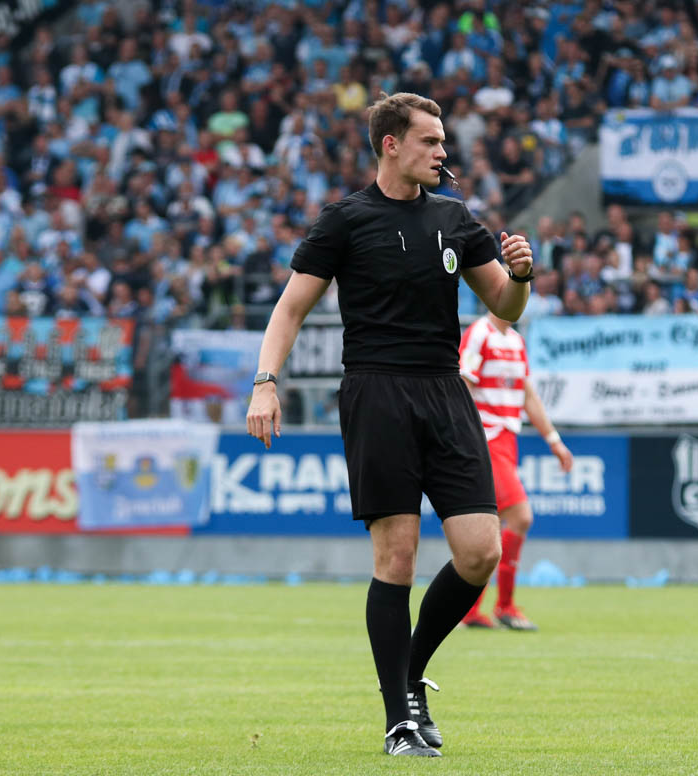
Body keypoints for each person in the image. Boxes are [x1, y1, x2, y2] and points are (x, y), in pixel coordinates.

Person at [245, 93, 536, 758]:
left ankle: (409, 672)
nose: (442, 153)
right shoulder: (345, 220)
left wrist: (521, 275)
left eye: (442, 143)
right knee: (396, 560)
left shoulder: (455, 217)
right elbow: (289, 310)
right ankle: (399, 717)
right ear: (392, 145)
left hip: (445, 390)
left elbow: (506, 305)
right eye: (431, 142)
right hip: (376, 393)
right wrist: (266, 384)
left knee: (480, 550)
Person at [457, 311, 574, 631]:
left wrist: (554, 440)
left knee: (489, 529)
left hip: (508, 441)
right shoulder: (479, 333)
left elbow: (526, 394)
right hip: (487, 439)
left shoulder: (517, 341)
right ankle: (504, 606)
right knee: (521, 517)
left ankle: (470, 611)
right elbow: (462, 385)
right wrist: (470, 437)